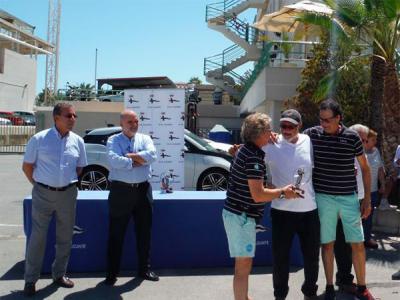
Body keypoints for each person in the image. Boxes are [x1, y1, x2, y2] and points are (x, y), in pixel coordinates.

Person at [223, 112, 302, 300]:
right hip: (242, 216)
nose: (272, 133)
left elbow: (253, 186)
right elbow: (258, 195)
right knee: (243, 266)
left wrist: (270, 189)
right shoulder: (253, 156)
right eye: (268, 130)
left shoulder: (247, 151)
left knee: (242, 265)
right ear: (259, 133)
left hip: (237, 214)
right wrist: (283, 192)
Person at [303, 99, 374, 300]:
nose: (323, 124)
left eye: (328, 120)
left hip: (349, 199)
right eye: (321, 119)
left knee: (358, 243)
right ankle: (330, 287)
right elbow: (292, 140)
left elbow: (365, 168)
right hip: (324, 198)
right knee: (327, 244)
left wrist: (367, 198)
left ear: (338, 118)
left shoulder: (352, 137)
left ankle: (362, 288)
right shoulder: (312, 135)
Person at [22, 103, 87, 296]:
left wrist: (63, 183)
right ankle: (30, 280)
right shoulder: (39, 139)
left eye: (75, 116)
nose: (73, 119)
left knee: (65, 237)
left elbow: (80, 167)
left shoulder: (78, 141)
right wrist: (40, 185)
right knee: (38, 238)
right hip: (43, 193)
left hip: (68, 194)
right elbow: (27, 166)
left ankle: (59, 274)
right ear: (56, 117)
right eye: (69, 116)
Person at [263, 109, 320, 300]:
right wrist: (265, 184)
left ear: (299, 126)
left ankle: (310, 294)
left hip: (309, 211)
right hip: (281, 212)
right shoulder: (270, 143)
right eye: (283, 126)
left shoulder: (310, 140)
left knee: (311, 258)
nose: (286, 130)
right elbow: (249, 161)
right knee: (280, 259)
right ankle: (280, 296)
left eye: (291, 126)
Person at [104, 110, 158, 285]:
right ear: (122, 124)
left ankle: (144, 269)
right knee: (116, 234)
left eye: (136, 121)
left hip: (143, 191)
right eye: (130, 122)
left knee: (144, 233)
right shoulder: (113, 140)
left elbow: (152, 156)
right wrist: (138, 161)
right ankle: (112, 274)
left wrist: (129, 158)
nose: (134, 125)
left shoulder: (145, 139)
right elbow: (114, 160)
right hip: (121, 192)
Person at [364, 129, 386, 247]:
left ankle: (367, 238)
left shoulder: (376, 151)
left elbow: (380, 169)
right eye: (374, 139)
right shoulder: (359, 151)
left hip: (373, 190)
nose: (376, 142)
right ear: (366, 140)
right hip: (360, 191)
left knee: (369, 215)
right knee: (358, 216)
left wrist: (382, 184)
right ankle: (355, 240)